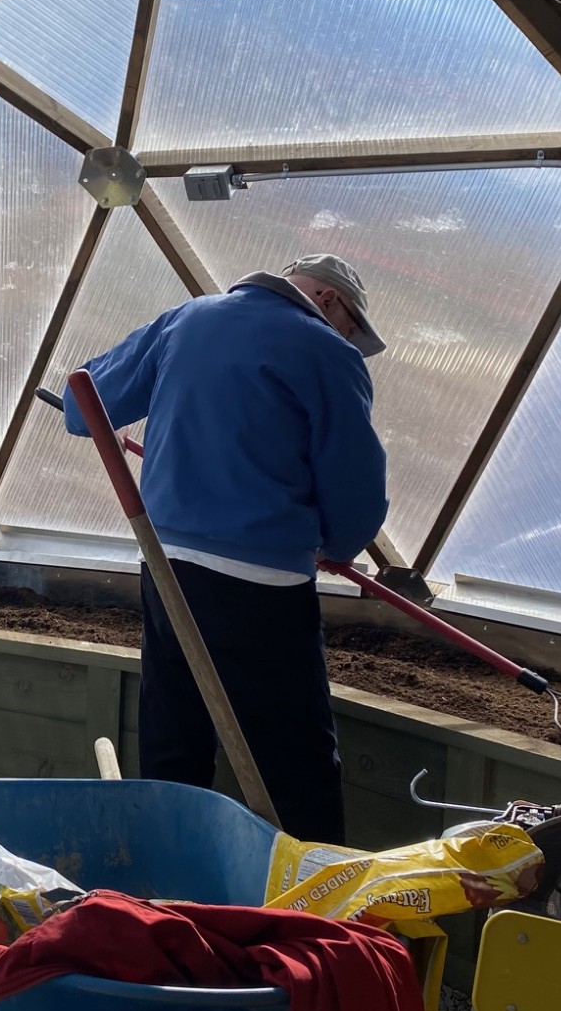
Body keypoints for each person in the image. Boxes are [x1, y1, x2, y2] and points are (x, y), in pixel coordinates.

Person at [63, 254, 388, 842]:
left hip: (168, 567)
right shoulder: (328, 353)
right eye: (350, 328)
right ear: (330, 301)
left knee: (175, 736)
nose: (346, 339)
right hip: (262, 584)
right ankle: (310, 910)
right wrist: (335, 543)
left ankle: (169, 888)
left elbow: (81, 409)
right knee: (296, 759)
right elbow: (355, 490)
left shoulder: (186, 319)